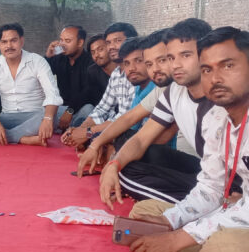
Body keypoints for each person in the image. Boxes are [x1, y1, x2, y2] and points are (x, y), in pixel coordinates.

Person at [127, 26, 249, 252]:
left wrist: (180, 238)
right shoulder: (217, 119)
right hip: (237, 207)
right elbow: (211, 187)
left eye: (228, 65)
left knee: (224, 249)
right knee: (146, 214)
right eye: (207, 69)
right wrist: (170, 221)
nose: (215, 78)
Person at [99, 18, 227, 207]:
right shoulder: (174, 91)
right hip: (204, 171)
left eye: (185, 55)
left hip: (231, 180)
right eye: (171, 58)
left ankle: (210, 206)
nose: (175, 65)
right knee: (125, 166)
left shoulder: (226, 95)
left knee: (126, 176)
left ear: (206, 54)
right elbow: (141, 139)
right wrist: (114, 165)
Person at [77, 29, 178, 176]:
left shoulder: (167, 87)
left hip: (174, 159)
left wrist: (114, 154)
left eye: (139, 61)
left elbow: (154, 139)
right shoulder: (150, 89)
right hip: (146, 145)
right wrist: (96, 144)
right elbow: (127, 119)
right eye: (126, 63)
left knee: (132, 159)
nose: (131, 69)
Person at [0, 23, 62, 146]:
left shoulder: (37, 61)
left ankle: (7, 136)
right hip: (7, 117)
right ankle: (23, 138)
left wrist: (47, 119)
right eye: (4, 42)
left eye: (13, 41)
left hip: (34, 116)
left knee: (52, 116)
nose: (9, 46)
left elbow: (52, 94)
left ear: (22, 41)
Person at [62, 23, 138, 147]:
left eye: (117, 41)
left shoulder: (136, 73)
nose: (112, 46)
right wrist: (80, 130)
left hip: (135, 133)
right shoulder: (116, 74)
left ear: (132, 41)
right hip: (114, 124)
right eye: (108, 43)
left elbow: (125, 119)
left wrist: (87, 133)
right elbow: (102, 108)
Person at [46, 25, 95, 130]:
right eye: (61, 40)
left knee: (89, 109)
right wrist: (48, 57)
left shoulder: (90, 61)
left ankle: (71, 130)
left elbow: (88, 92)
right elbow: (44, 75)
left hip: (79, 109)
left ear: (80, 43)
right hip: (61, 108)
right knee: (44, 111)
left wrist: (70, 111)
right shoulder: (59, 58)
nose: (62, 44)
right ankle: (66, 129)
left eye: (67, 41)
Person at [86, 33, 115, 105]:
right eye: (93, 52)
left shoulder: (124, 68)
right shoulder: (92, 72)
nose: (96, 55)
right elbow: (97, 100)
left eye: (100, 49)